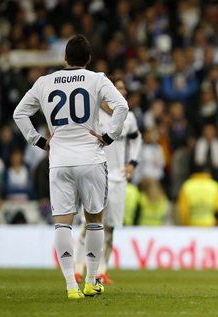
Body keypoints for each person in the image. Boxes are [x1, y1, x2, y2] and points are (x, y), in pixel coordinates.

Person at [13, 35, 128, 299]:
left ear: (64, 58)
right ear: (88, 59)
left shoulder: (44, 82)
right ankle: (90, 280)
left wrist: (39, 141)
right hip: (91, 159)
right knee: (95, 221)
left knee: (62, 224)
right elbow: (121, 106)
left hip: (60, 159)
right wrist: (110, 136)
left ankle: (70, 286)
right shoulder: (97, 78)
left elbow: (19, 113)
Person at [75, 77, 142, 284]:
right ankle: (78, 268)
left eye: (124, 89)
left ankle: (102, 271)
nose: (124, 92)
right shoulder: (93, 115)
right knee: (89, 223)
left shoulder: (128, 117)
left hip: (118, 179)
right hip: (96, 176)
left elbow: (136, 138)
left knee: (110, 227)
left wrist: (132, 163)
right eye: (119, 88)